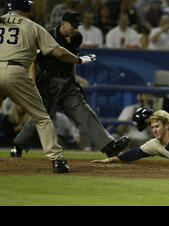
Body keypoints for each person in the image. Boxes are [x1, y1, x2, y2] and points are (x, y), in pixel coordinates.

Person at [10, 11, 130, 161]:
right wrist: (33, 84)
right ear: (62, 24)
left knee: (83, 110)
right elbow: (33, 62)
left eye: (77, 26)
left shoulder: (76, 38)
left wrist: (75, 81)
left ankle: (109, 145)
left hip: (66, 82)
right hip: (47, 81)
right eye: (73, 26)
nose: (75, 29)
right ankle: (18, 145)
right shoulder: (47, 35)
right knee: (42, 117)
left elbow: (71, 60)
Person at [0, 0, 97, 173]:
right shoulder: (32, 26)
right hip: (16, 71)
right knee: (42, 117)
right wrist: (79, 59)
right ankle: (57, 160)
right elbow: (58, 52)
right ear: (24, 8)